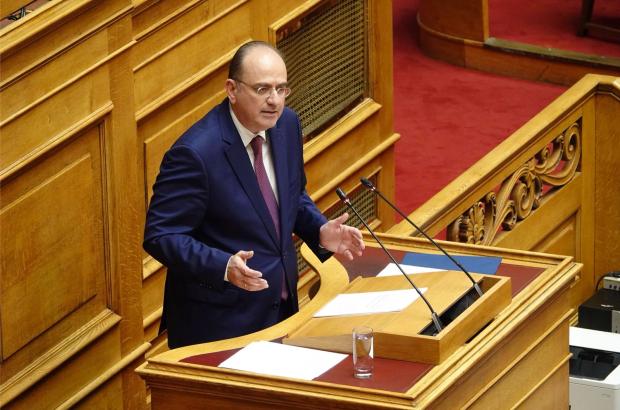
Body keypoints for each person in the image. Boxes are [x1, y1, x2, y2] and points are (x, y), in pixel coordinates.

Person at [143, 41, 365, 348]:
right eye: (262, 89)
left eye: (281, 89)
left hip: (281, 307)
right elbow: (161, 235)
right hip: (220, 324)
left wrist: (319, 229)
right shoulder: (195, 154)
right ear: (232, 90)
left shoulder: (286, 124)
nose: (274, 100)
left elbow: (292, 194)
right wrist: (223, 266)